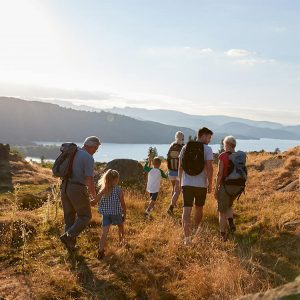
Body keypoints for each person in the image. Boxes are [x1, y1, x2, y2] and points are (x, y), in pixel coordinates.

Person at [60, 136, 101, 251]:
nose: (95, 151)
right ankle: (68, 236)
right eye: (96, 149)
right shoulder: (87, 157)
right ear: (91, 146)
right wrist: (94, 195)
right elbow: (89, 179)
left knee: (69, 217)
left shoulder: (74, 152)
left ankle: (70, 246)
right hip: (77, 188)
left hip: (64, 187)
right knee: (85, 216)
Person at [179, 127, 214, 245]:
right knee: (199, 208)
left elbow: (180, 167)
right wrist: (210, 184)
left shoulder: (185, 147)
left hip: (187, 184)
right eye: (208, 137)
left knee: (186, 209)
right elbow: (210, 168)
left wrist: (179, 183)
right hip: (201, 185)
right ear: (202, 135)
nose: (209, 140)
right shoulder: (207, 149)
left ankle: (187, 238)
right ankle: (196, 231)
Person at [215, 136, 247, 241]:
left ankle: (223, 235)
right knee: (229, 204)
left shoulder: (223, 156)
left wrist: (216, 189)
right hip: (238, 187)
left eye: (224, 144)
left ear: (227, 145)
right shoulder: (239, 156)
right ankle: (231, 223)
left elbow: (219, 174)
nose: (224, 146)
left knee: (222, 211)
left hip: (226, 186)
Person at [91, 169, 126, 259]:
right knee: (120, 226)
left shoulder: (104, 189)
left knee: (104, 233)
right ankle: (121, 243)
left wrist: (89, 201)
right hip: (116, 213)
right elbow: (123, 204)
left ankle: (100, 251)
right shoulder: (118, 189)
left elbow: (95, 201)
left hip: (106, 214)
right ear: (116, 179)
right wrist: (124, 214)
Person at [166, 131, 185, 216]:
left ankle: (173, 203)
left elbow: (167, 157)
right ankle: (171, 207)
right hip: (178, 172)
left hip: (170, 171)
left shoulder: (171, 146)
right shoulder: (183, 147)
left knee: (174, 188)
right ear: (182, 138)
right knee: (177, 191)